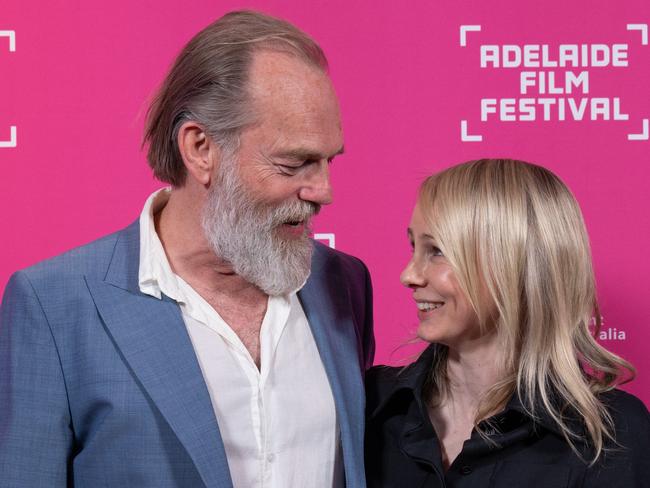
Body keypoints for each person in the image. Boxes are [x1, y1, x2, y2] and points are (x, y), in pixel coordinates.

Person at [0, 11, 374, 488]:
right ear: (200, 149)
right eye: (294, 164)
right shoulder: (55, 304)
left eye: (327, 161)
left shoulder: (342, 284)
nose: (323, 191)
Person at [365, 159, 649, 487]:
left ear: (512, 264)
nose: (408, 275)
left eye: (437, 251)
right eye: (415, 247)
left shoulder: (611, 432)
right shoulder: (372, 404)